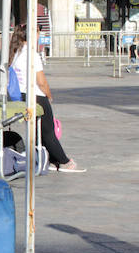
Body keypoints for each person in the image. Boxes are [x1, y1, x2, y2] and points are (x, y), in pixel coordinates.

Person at [9, 24, 84, 173]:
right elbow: (41, 81)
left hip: (22, 95)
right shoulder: (32, 54)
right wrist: (49, 95)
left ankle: (48, 159)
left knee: (37, 130)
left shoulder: (15, 52)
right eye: (37, 32)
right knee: (48, 131)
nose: (39, 35)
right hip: (36, 95)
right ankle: (64, 161)